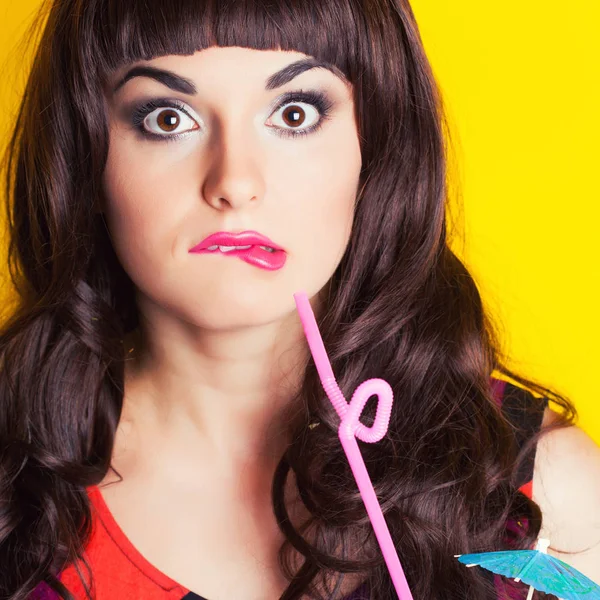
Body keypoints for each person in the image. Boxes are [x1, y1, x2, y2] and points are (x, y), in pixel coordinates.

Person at [1, 0, 599, 599]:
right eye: (167, 119)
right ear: (87, 160)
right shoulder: (13, 489)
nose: (235, 182)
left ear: (375, 144)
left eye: (293, 113)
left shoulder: (546, 504)